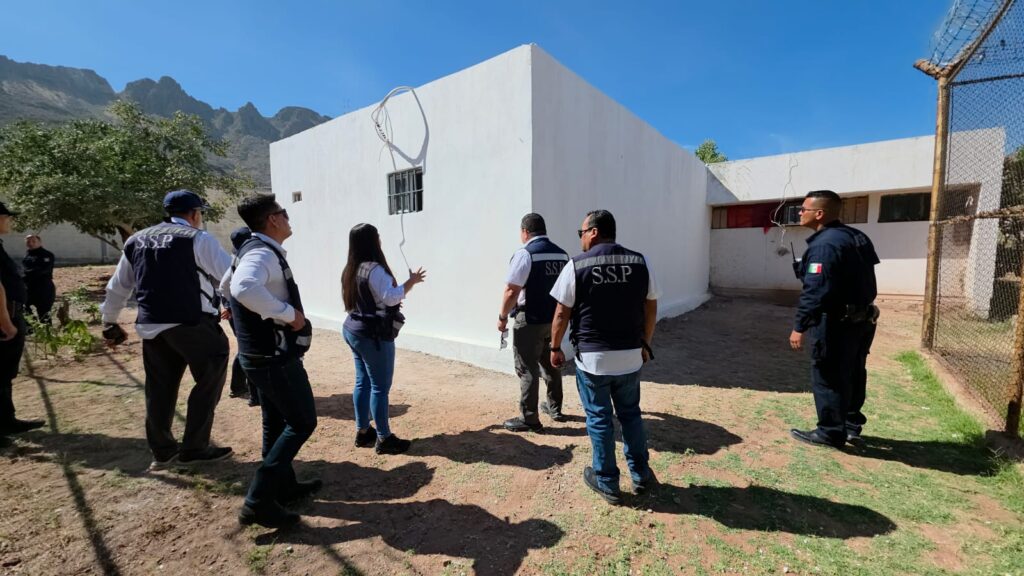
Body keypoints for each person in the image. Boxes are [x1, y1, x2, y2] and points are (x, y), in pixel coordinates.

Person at [100, 189, 233, 470]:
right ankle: (195, 447)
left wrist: (109, 322)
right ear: (195, 214)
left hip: (151, 326)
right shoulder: (198, 238)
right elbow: (230, 277)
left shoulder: (136, 240)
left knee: (159, 388)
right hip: (191, 323)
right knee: (210, 377)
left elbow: (118, 286)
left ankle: (162, 451)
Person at [550, 210, 659, 505]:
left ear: (594, 232)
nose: (581, 237)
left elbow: (561, 312)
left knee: (599, 418)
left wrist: (554, 347)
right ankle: (640, 474)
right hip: (630, 357)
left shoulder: (576, 265)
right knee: (631, 415)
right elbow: (651, 307)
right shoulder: (640, 261)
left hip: (594, 360)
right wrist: (646, 343)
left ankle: (608, 481)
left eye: (581, 232)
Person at [226, 194, 319, 529]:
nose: (288, 218)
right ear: (273, 220)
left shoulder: (250, 249)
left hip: (259, 355)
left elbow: (227, 284)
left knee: (275, 422)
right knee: (303, 421)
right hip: (273, 358)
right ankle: (258, 501)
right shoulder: (262, 254)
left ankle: (284, 485)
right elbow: (243, 286)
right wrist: (288, 314)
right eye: (284, 213)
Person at [789, 190, 880, 449]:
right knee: (853, 372)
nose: (799, 213)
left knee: (828, 374)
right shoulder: (856, 236)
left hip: (836, 322)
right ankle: (851, 426)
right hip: (861, 320)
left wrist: (800, 326)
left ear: (819, 213)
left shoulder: (824, 245)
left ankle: (830, 432)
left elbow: (815, 291)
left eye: (803, 209)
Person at [341, 223, 426, 455]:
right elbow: (390, 298)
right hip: (373, 335)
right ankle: (384, 438)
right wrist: (411, 282)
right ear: (373, 241)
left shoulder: (351, 268)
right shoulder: (375, 270)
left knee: (363, 382)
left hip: (353, 329)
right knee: (380, 387)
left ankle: (363, 431)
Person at [498, 213, 569, 432]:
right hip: (554, 319)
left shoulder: (525, 254)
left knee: (527, 367)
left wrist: (502, 317)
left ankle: (530, 419)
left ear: (525, 232)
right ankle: (555, 408)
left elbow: (512, 290)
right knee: (551, 362)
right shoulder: (562, 255)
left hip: (529, 319)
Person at [0, 202, 44, 437]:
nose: (9, 221)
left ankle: (7, 421)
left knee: (5, 374)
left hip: (11, 312)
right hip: (4, 317)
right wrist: (5, 321)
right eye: (7, 217)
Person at [226, 227, 257, 405]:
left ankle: (238, 387)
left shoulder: (235, 259)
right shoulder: (243, 261)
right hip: (243, 312)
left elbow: (223, 287)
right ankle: (253, 395)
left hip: (234, 311)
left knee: (244, 349)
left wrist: (228, 304)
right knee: (249, 351)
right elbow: (226, 285)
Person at [22, 235, 56, 325]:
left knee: (44, 314)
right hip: (29, 287)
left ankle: (46, 334)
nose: (31, 243)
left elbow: (43, 270)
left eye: (33, 241)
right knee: (23, 307)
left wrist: (24, 274)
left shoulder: (47, 255)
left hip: (43, 288)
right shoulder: (27, 255)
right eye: (28, 241)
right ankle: (32, 329)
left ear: (40, 242)